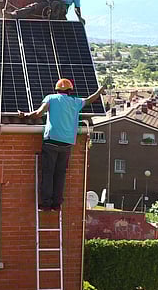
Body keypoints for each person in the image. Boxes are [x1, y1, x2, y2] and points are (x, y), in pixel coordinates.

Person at [21, 78, 104, 209]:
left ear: (57, 89)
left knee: (48, 173)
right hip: (67, 143)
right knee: (60, 174)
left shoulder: (51, 98)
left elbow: (38, 114)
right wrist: (101, 90)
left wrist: (25, 115)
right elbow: (90, 99)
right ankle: (57, 204)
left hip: (52, 141)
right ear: (70, 90)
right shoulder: (76, 102)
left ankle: (46, 203)